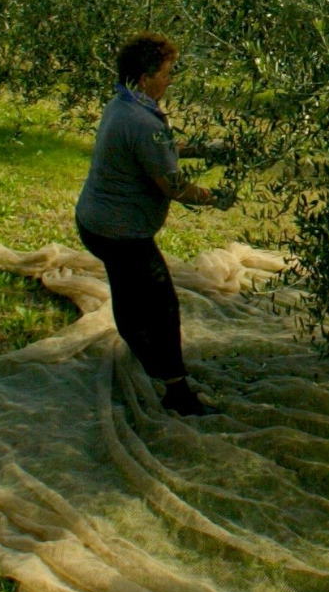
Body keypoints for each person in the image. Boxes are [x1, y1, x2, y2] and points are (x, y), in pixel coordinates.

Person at [75, 32, 233, 418]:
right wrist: (217, 197)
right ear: (145, 78)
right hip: (121, 234)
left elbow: (155, 150)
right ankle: (177, 392)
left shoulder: (123, 105)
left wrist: (201, 148)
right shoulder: (143, 121)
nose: (170, 79)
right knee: (161, 306)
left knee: (130, 297)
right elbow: (174, 187)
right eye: (166, 72)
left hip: (95, 223)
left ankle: (144, 355)